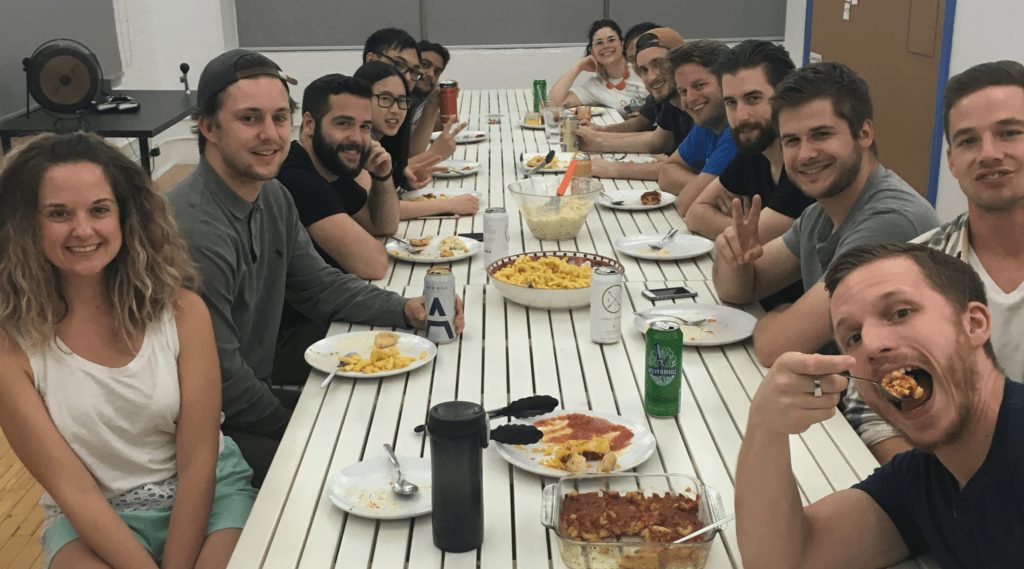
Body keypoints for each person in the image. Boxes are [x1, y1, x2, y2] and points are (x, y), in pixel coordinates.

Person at [167, 49, 464, 485]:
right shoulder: (195, 227)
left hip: (250, 398)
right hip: (202, 428)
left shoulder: (271, 196)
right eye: (249, 119)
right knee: (346, 474)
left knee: (389, 432)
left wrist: (404, 310)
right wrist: (301, 425)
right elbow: (220, 378)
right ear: (208, 127)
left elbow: (319, 285)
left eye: (278, 117)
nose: (270, 135)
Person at [0, 132, 257, 569]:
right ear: (26, 225)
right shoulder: (11, 345)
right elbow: (72, 488)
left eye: (99, 209)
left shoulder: (181, 312)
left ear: (125, 215)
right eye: (58, 213)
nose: (82, 229)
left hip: (207, 497)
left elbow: (198, 459)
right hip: (92, 516)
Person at [735, 243, 1024, 569]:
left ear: (973, 324)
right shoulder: (927, 477)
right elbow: (779, 560)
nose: (872, 345)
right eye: (853, 337)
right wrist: (765, 426)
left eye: (901, 313)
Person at [712, 62, 939, 460]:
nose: (805, 154)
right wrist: (736, 257)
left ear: (864, 133)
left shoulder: (891, 220)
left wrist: (777, 314)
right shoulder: (821, 212)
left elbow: (775, 345)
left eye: (821, 134)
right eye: (792, 140)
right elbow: (738, 290)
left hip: (897, 430)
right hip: (843, 404)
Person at [842, 60, 1024, 463]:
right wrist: (940, 492)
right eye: (968, 140)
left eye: (1010, 133)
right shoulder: (914, 268)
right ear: (952, 161)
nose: (989, 153)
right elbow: (864, 402)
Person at [686, 40, 813, 242]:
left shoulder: (807, 164)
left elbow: (755, 238)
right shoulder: (754, 151)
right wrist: (742, 227)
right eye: (731, 102)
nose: (741, 116)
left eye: (753, 98)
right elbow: (695, 214)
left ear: (786, 97)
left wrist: (746, 230)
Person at [277, 73, 398, 280]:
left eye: (365, 127)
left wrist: (382, 176)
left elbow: (383, 225)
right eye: (343, 123)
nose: (357, 138)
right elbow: (374, 265)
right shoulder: (296, 178)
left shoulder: (329, 166)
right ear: (308, 124)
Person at [354, 61, 478, 220]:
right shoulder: (356, 144)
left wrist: (402, 179)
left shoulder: (378, 137)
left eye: (402, 101)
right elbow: (382, 212)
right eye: (385, 99)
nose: (395, 110)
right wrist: (450, 205)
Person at [576, 28, 694, 181]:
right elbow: (658, 141)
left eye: (660, 64)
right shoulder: (671, 99)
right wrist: (597, 141)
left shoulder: (699, 107)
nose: (651, 77)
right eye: (643, 70)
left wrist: (612, 167)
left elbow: (684, 172)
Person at [362, 29, 463, 165]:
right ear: (372, 60)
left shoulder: (399, 104)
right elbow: (376, 178)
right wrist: (432, 155)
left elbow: (401, 160)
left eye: (414, 71)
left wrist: (432, 107)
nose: (408, 78)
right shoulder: (353, 109)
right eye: (399, 64)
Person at [547, 19, 648, 118]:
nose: (606, 46)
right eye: (599, 42)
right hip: (623, 133)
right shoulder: (595, 86)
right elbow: (553, 103)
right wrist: (578, 66)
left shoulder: (640, 69)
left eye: (611, 40)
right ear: (592, 50)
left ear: (622, 44)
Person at [583, 21, 660, 134]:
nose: (606, 46)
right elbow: (643, 122)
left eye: (611, 40)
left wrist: (601, 136)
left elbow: (659, 140)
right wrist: (600, 131)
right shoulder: (596, 84)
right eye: (633, 59)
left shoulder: (676, 87)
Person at [411, 39, 450, 135]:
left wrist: (445, 103)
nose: (431, 74)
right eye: (424, 65)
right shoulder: (393, 94)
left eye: (437, 72)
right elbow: (400, 136)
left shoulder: (426, 97)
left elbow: (441, 125)